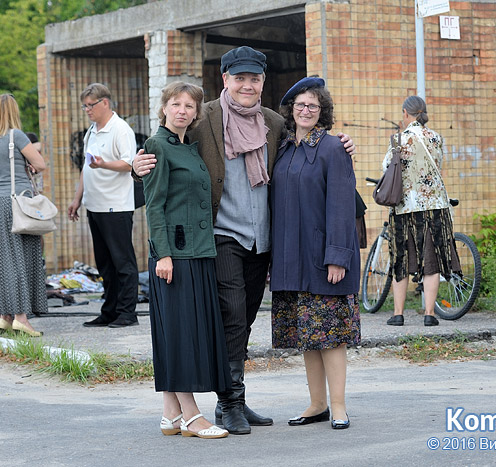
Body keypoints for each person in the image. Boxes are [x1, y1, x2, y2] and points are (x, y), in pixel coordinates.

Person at [134, 46, 356, 435]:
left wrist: (341, 144)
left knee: (246, 318)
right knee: (232, 315)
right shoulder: (204, 120)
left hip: (263, 240)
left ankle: (232, 398)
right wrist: (139, 166)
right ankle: (230, 401)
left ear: (262, 83)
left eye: (254, 79)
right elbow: (169, 148)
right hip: (221, 235)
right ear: (225, 80)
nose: (247, 85)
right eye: (239, 78)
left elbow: (309, 143)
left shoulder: (273, 123)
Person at [270, 77, 360, 430]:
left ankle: (338, 405)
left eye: (312, 106)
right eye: (299, 105)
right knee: (307, 334)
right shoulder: (283, 148)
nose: (305, 111)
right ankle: (317, 403)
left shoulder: (334, 148)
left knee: (331, 335)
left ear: (322, 112)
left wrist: (337, 255)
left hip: (324, 258)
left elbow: (341, 205)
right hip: (292, 257)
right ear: (291, 111)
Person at [143, 81, 230, 439]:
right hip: (174, 257)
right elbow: (154, 206)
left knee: (177, 333)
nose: (182, 110)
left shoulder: (189, 148)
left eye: (189, 106)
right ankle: (193, 415)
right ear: (164, 108)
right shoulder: (157, 147)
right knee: (180, 335)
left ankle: (170, 414)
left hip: (199, 252)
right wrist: (162, 253)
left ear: (196, 113)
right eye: (176, 104)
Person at [383, 95, 461, 327]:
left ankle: (398, 314)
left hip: (405, 207)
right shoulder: (436, 138)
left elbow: (387, 166)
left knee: (402, 258)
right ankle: (429, 314)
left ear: (406, 113)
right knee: (432, 258)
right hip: (435, 207)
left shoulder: (398, 139)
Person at [68, 83, 139, 329]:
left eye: (91, 105)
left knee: (122, 262)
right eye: (84, 106)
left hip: (115, 206)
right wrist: (77, 199)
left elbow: (129, 164)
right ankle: (109, 311)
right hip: (94, 205)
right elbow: (87, 168)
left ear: (105, 103)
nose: (87, 110)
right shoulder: (92, 131)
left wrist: (104, 165)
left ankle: (127, 313)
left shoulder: (120, 129)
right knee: (105, 264)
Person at [0, 94, 46, 337]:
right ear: (13, 112)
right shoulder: (16, 136)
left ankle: (6, 316)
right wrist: (28, 165)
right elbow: (40, 164)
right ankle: (22, 317)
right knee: (23, 258)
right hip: (18, 202)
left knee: (3, 261)